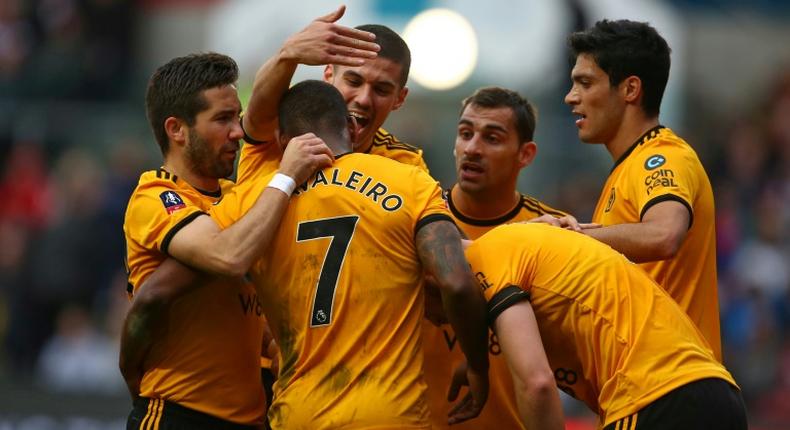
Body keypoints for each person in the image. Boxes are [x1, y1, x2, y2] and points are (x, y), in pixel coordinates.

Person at [207, 80, 489, 428]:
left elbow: (198, 268)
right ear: (352, 129)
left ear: (282, 140)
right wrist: (478, 366)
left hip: (299, 414)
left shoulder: (251, 201)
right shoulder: (410, 182)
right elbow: (457, 283)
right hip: (390, 415)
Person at [120, 53, 332, 429]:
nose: (237, 131)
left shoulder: (238, 198)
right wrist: (286, 177)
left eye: (237, 116)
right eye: (222, 119)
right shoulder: (154, 196)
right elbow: (228, 256)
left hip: (251, 417)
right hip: (179, 414)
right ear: (177, 129)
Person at [460, 222, 747, 429]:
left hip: (654, 396)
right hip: (718, 394)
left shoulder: (485, 259)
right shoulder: (522, 241)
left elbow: (537, 384)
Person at [564, 19, 722, 360]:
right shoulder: (623, 171)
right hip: (647, 384)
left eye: (585, 83)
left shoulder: (662, 157)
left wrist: (569, 240)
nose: (570, 97)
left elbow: (664, 234)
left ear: (630, 89)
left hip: (675, 383)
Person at [422, 87, 579, 429]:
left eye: (492, 138)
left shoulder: (552, 234)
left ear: (525, 154)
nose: (473, 149)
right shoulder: (420, 218)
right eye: (465, 134)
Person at [237, 6, 427, 184]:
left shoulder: (406, 166)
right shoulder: (283, 129)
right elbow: (257, 119)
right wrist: (287, 55)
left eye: (381, 90)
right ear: (329, 75)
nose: (363, 99)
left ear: (400, 98)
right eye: (353, 82)